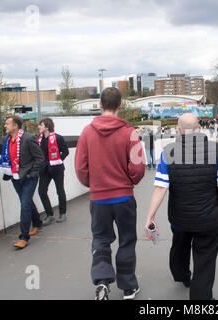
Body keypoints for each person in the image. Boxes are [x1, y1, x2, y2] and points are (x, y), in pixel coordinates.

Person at [144, 113, 218, 300]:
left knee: (180, 245)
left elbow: (161, 188)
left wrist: (150, 217)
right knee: (205, 260)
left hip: (180, 218)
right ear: (200, 128)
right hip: (209, 219)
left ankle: (182, 275)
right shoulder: (217, 150)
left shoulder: (167, 152)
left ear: (179, 130)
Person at [75, 87, 146, 300]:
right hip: (123, 197)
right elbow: (138, 166)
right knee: (126, 240)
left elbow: (80, 167)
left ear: (100, 104)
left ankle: (103, 281)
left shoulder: (87, 132)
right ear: (120, 105)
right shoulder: (129, 133)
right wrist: (129, 181)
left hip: (99, 199)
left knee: (100, 239)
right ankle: (128, 287)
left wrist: (93, 184)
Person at [0, 116, 44, 249]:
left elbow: (39, 158)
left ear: (15, 126)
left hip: (29, 178)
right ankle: (37, 223)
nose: (5, 126)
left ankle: (24, 237)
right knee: (27, 202)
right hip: (15, 177)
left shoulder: (28, 138)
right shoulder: (6, 140)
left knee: (24, 204)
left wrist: (32, 173)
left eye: (7, 124)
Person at [37, 118, 69, 226]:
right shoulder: (39, 139)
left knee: (60, 191)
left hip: (56, 168)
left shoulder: (58, 138)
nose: (39, 127)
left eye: (41, 125)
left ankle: (62, 213)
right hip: (44, 170)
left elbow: (65, 151)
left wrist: (58, 160)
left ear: (47, 127)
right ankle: (50, 215)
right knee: (41, 191)